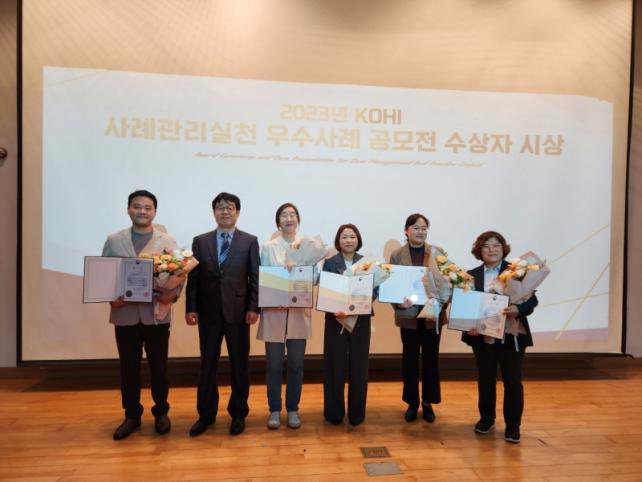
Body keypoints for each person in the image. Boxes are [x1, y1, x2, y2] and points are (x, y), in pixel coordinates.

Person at [102, 189, 182, 440]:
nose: (142, 211)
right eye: (137, 206)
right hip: (125, 313)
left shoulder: (167, 241)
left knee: (159, 367)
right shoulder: (114, 240)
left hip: (156, 314)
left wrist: (171, 296)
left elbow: (179, 275)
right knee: (129, 367)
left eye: (147, 208)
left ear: (154, 212)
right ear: (128, 209)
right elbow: (105, 274)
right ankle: (132, 415)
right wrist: (110, 298)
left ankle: (161, 412)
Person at [185, 192, 259, 436]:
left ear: (238, 212)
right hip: (208, 313)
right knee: (207, 365)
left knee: (240, 366)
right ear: (214, 212)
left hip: (239, 313)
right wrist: (191, 307)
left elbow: (254, 278)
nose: (225, 211)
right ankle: (206, 415)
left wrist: (253, 308)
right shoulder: (200, 241)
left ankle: (238, 413)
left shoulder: (250, 241)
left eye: (230, 207)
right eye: (220, 207)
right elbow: (193, 279)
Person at [462, 231, 538, 444]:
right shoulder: (470, 275)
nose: (492, 249)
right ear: (479, 250)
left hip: (511, 334)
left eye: (496, 245)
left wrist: (518, 309)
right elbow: (466, 305)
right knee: (485, 379)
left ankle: (513, 426)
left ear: (503, 248)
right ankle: (487, 419)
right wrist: (468, 326)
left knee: (513, 381)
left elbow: (532, 301)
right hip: (482, 336)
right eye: (486, 246)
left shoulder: (516, 271)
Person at [257, 203, 319, 430]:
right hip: (274, 311)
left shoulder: (308, 247)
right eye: (284, 215)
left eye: (292, 215)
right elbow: (263, 276)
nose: (289, 218)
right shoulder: (268, 247)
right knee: (274, 365)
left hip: (298, 312)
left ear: (298, 220)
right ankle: (274, 409)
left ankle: (293, 409)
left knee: (296, 365)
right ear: (278, 222)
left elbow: (315, 278)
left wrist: (302, 268)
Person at [388, 213, 448, 423]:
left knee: (431, 360)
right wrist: (399, 303)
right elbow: (392, 285)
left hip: (432, 316)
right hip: (409, 316)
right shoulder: (397, 255)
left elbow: (447, 281)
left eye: (424, 228)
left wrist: (441, 299)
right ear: (406, 231)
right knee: (410, 360)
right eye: (416, 227)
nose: (420, 232)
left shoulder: (437, 253)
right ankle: (412, 403)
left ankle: (428, 402)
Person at [322, 224, 373, 426]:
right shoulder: (330, 263)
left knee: (359, 366)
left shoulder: (367, 263)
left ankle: (356, 414)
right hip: (336, 319)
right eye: (344, 237)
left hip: (361, 320)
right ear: (338, 240)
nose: (348, 240)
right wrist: (339, 308)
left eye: (352, 236)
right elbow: (326, 290)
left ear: (358, 239)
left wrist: (356, 307)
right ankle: (334, 412)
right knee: (334, 365)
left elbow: (374, 290)